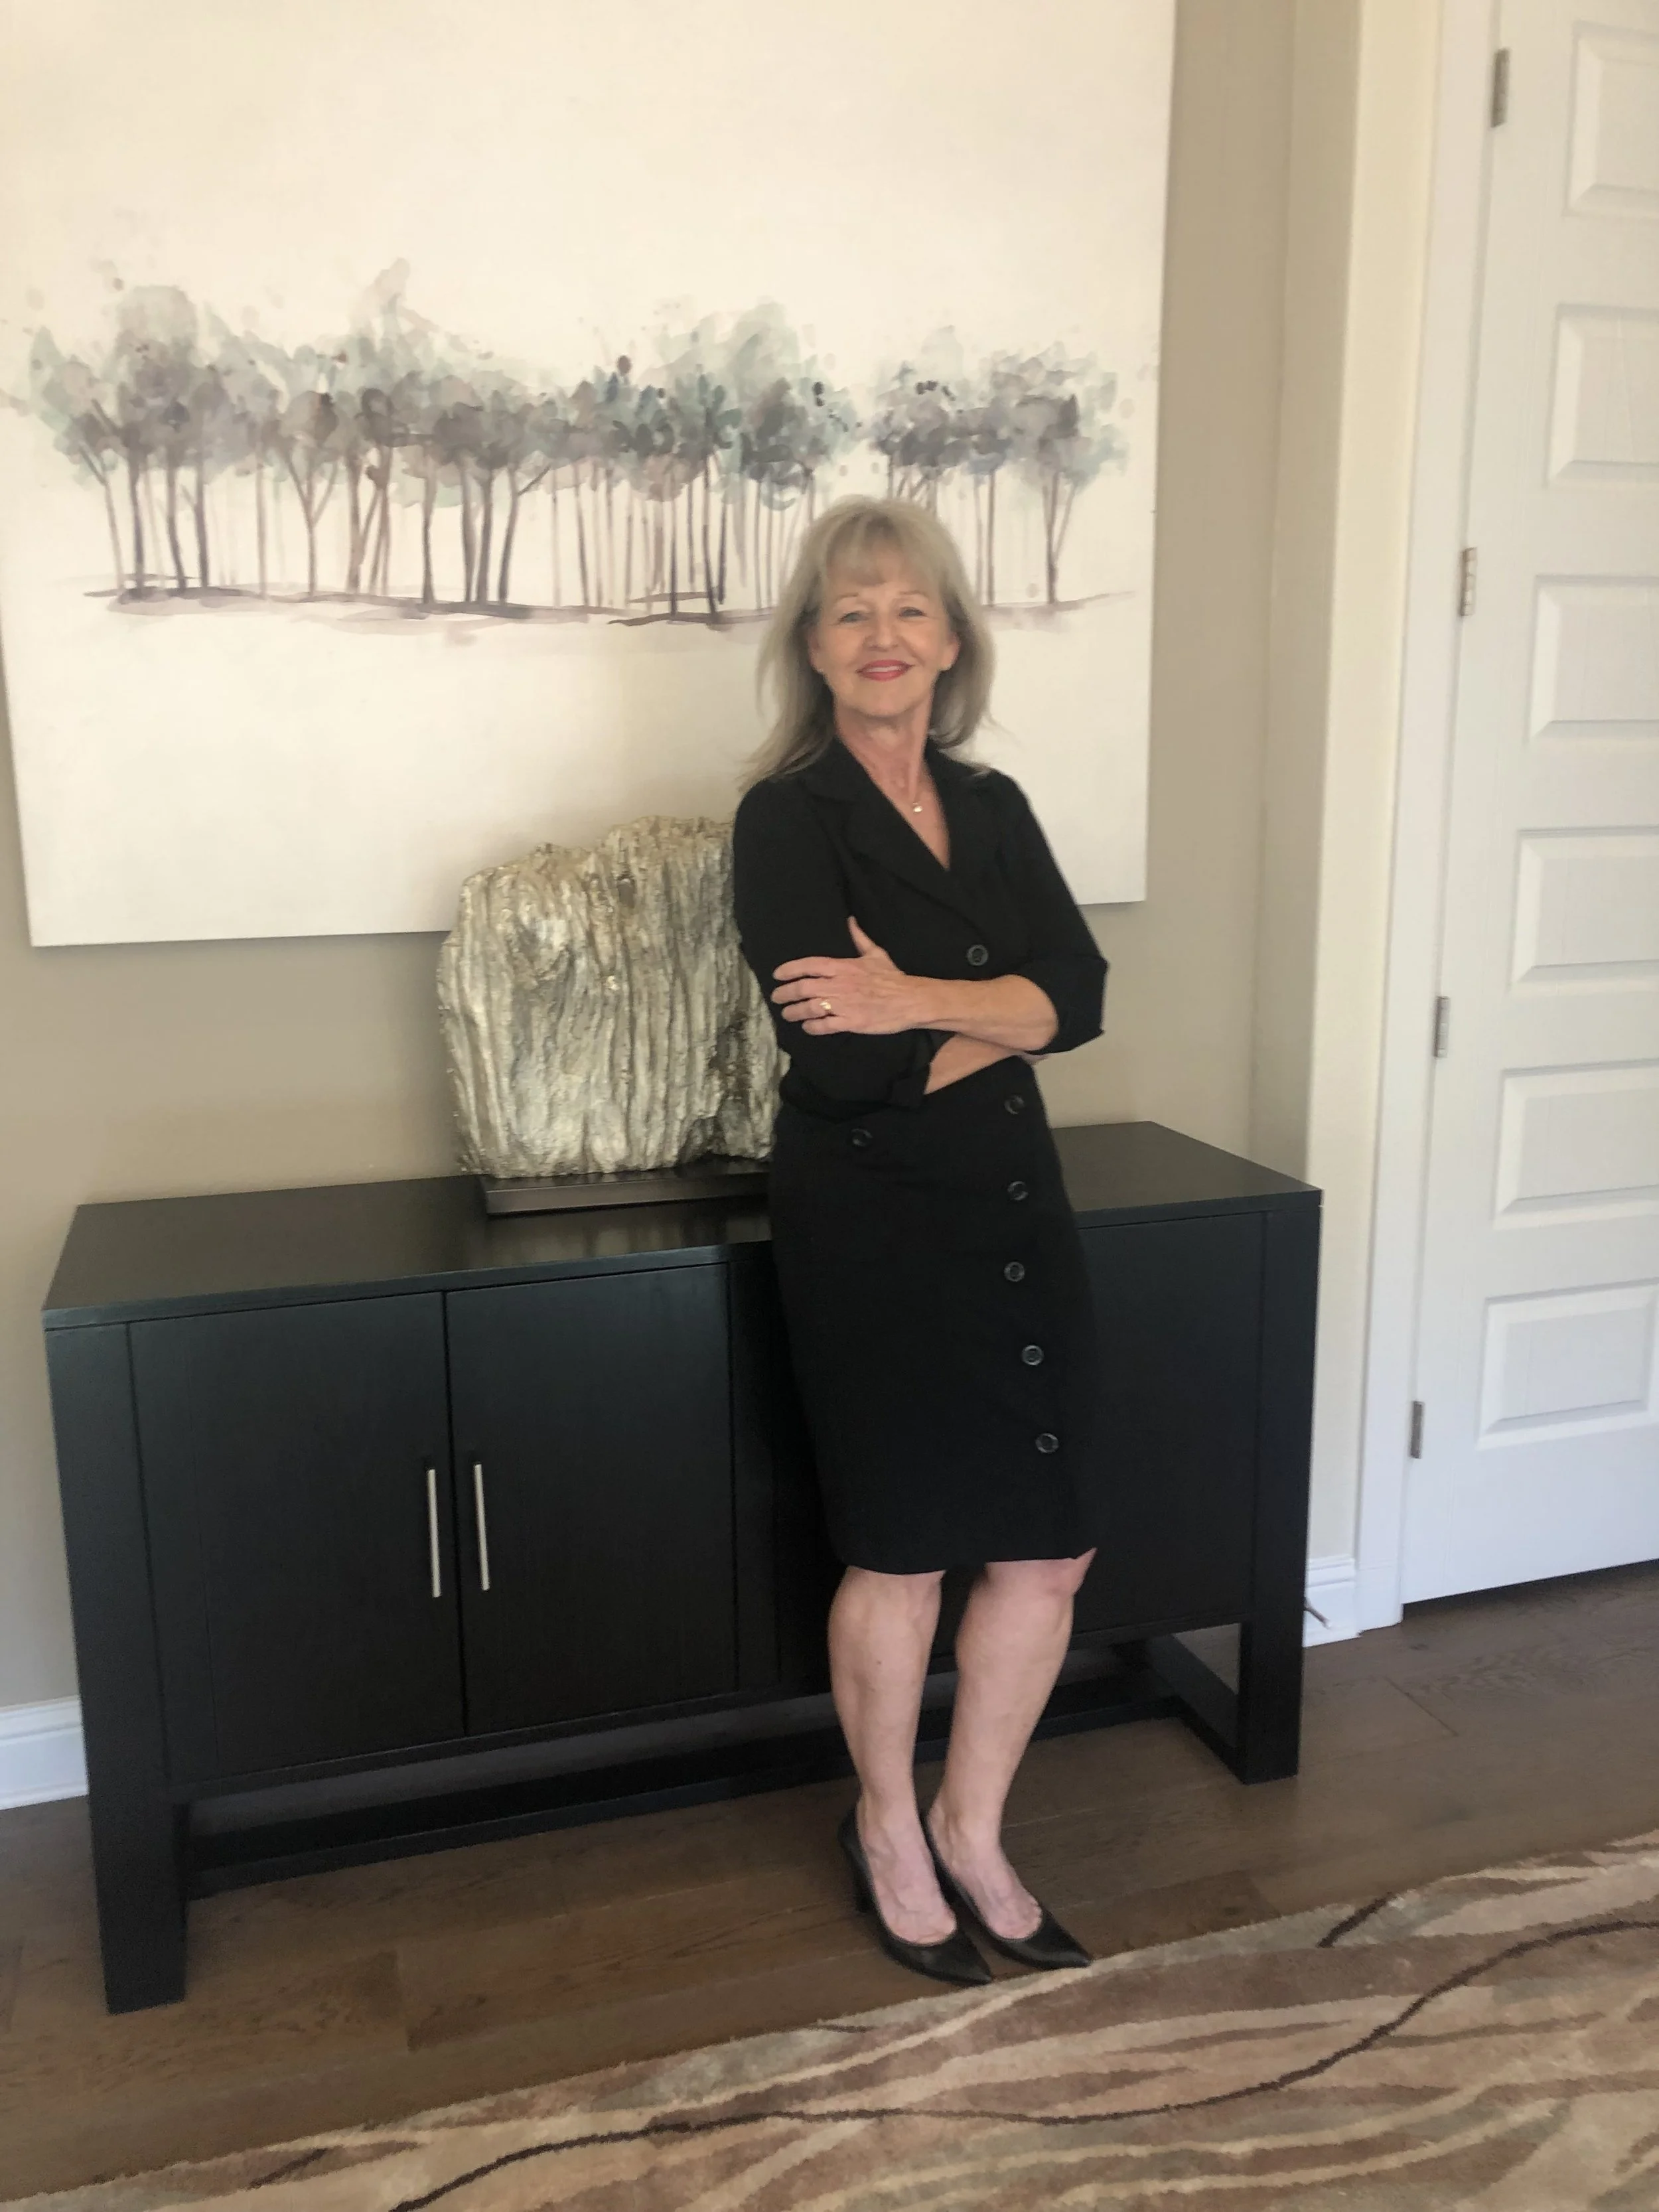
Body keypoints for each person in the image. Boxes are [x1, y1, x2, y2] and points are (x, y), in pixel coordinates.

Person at [731, 496, 1109, 1986]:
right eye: (848, 613)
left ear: (950, 641)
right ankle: (884, 1825)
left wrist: (920, 998)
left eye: (907, 611)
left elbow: (1077, 994)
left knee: (1047, 1542)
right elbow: (835, 1059)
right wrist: (986, 1010)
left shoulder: (994, 804)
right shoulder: (785, 817)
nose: (881, 637)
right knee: (897, 1550)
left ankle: (972, 1824)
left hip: (1015, 1210)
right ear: (813, 650)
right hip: (869, 1221)